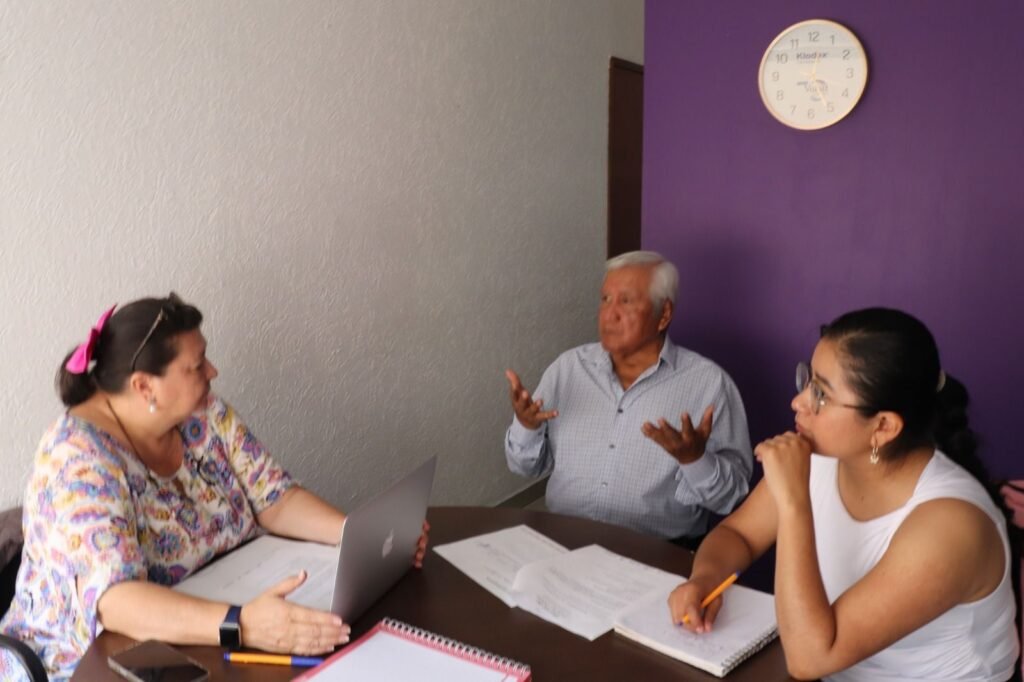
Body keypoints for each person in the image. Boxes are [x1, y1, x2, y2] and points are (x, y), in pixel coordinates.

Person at [0, 293, 429, 681]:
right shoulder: (76, 460)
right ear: (144, 386)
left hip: (204, 628)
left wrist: (360, 538)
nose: (212, 371)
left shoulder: (202, 411)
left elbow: (274, 498)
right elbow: (117, 603)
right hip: (93, 664)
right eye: (196, 365)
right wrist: (243, 625)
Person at [669, 308, 1020, 681]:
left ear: (883, 426)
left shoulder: (951, 527)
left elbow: (809, 659)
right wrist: (705, 578)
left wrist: (793, 503)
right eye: (807, 380)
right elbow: (738, 534)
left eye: (820, 393)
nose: (798, 402)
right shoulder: (822, 456)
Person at [504, 251, 752, 544]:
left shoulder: (709, 384)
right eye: (605, 299)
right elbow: (524, 467)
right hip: (562, 542)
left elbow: (731, 497)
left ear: (664, 314)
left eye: (626, 301)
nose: (609, 314)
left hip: (656, 552)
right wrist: (527, 426)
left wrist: (695, 460)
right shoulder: (568, 368)